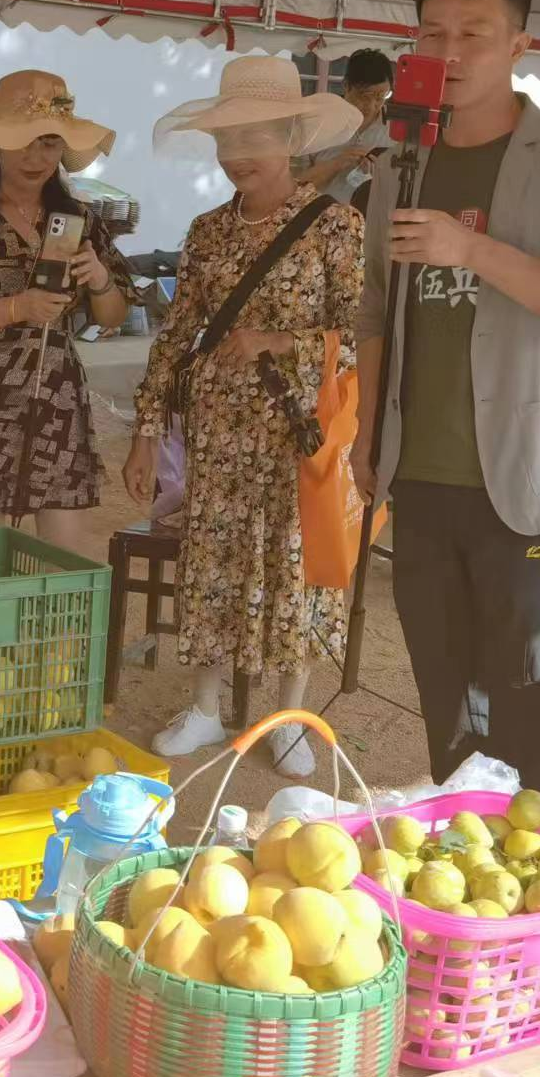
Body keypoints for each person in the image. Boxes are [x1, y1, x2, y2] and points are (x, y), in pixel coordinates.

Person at [351, 0, 540, 802]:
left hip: (530, 478)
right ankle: (458, 840)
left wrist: (468, 248)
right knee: (444, 687)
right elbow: (374, 311)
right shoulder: (399, 164)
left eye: (474, 33)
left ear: (519, 42)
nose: (453, 49)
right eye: (435, 32)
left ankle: (529, 864)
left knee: (523, 690)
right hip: (422, 467)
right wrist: (368, 436)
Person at [125, 56, 365, 769]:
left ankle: (287, 716)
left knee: (293, 571)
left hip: (300, 435)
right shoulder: (206, 232)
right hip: (220, 434)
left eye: (253, 141)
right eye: (227, 143)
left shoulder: (336, 228)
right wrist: (145, 431)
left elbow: (359, 338)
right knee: (214, 567)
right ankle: (206, 706)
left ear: (292, 140)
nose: (237, 159)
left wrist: (279, 342)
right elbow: (174, 336)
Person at [0, 70, 135, 548]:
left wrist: (99, 278)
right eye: (23, 143)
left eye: (50, 144)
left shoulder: (81, 219)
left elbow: (112, 318)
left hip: (58, 403)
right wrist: (19, 307)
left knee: (63, 564)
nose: (37, 158)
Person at [294, 48, 394, 205]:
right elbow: (293, 189)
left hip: (370, 223)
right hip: (319, 221)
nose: (372, 105)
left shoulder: (396, 129)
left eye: (381, 97)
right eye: (364, 96)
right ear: (346, 86)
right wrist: (337, 163)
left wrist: (382, 173)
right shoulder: (315, 123)